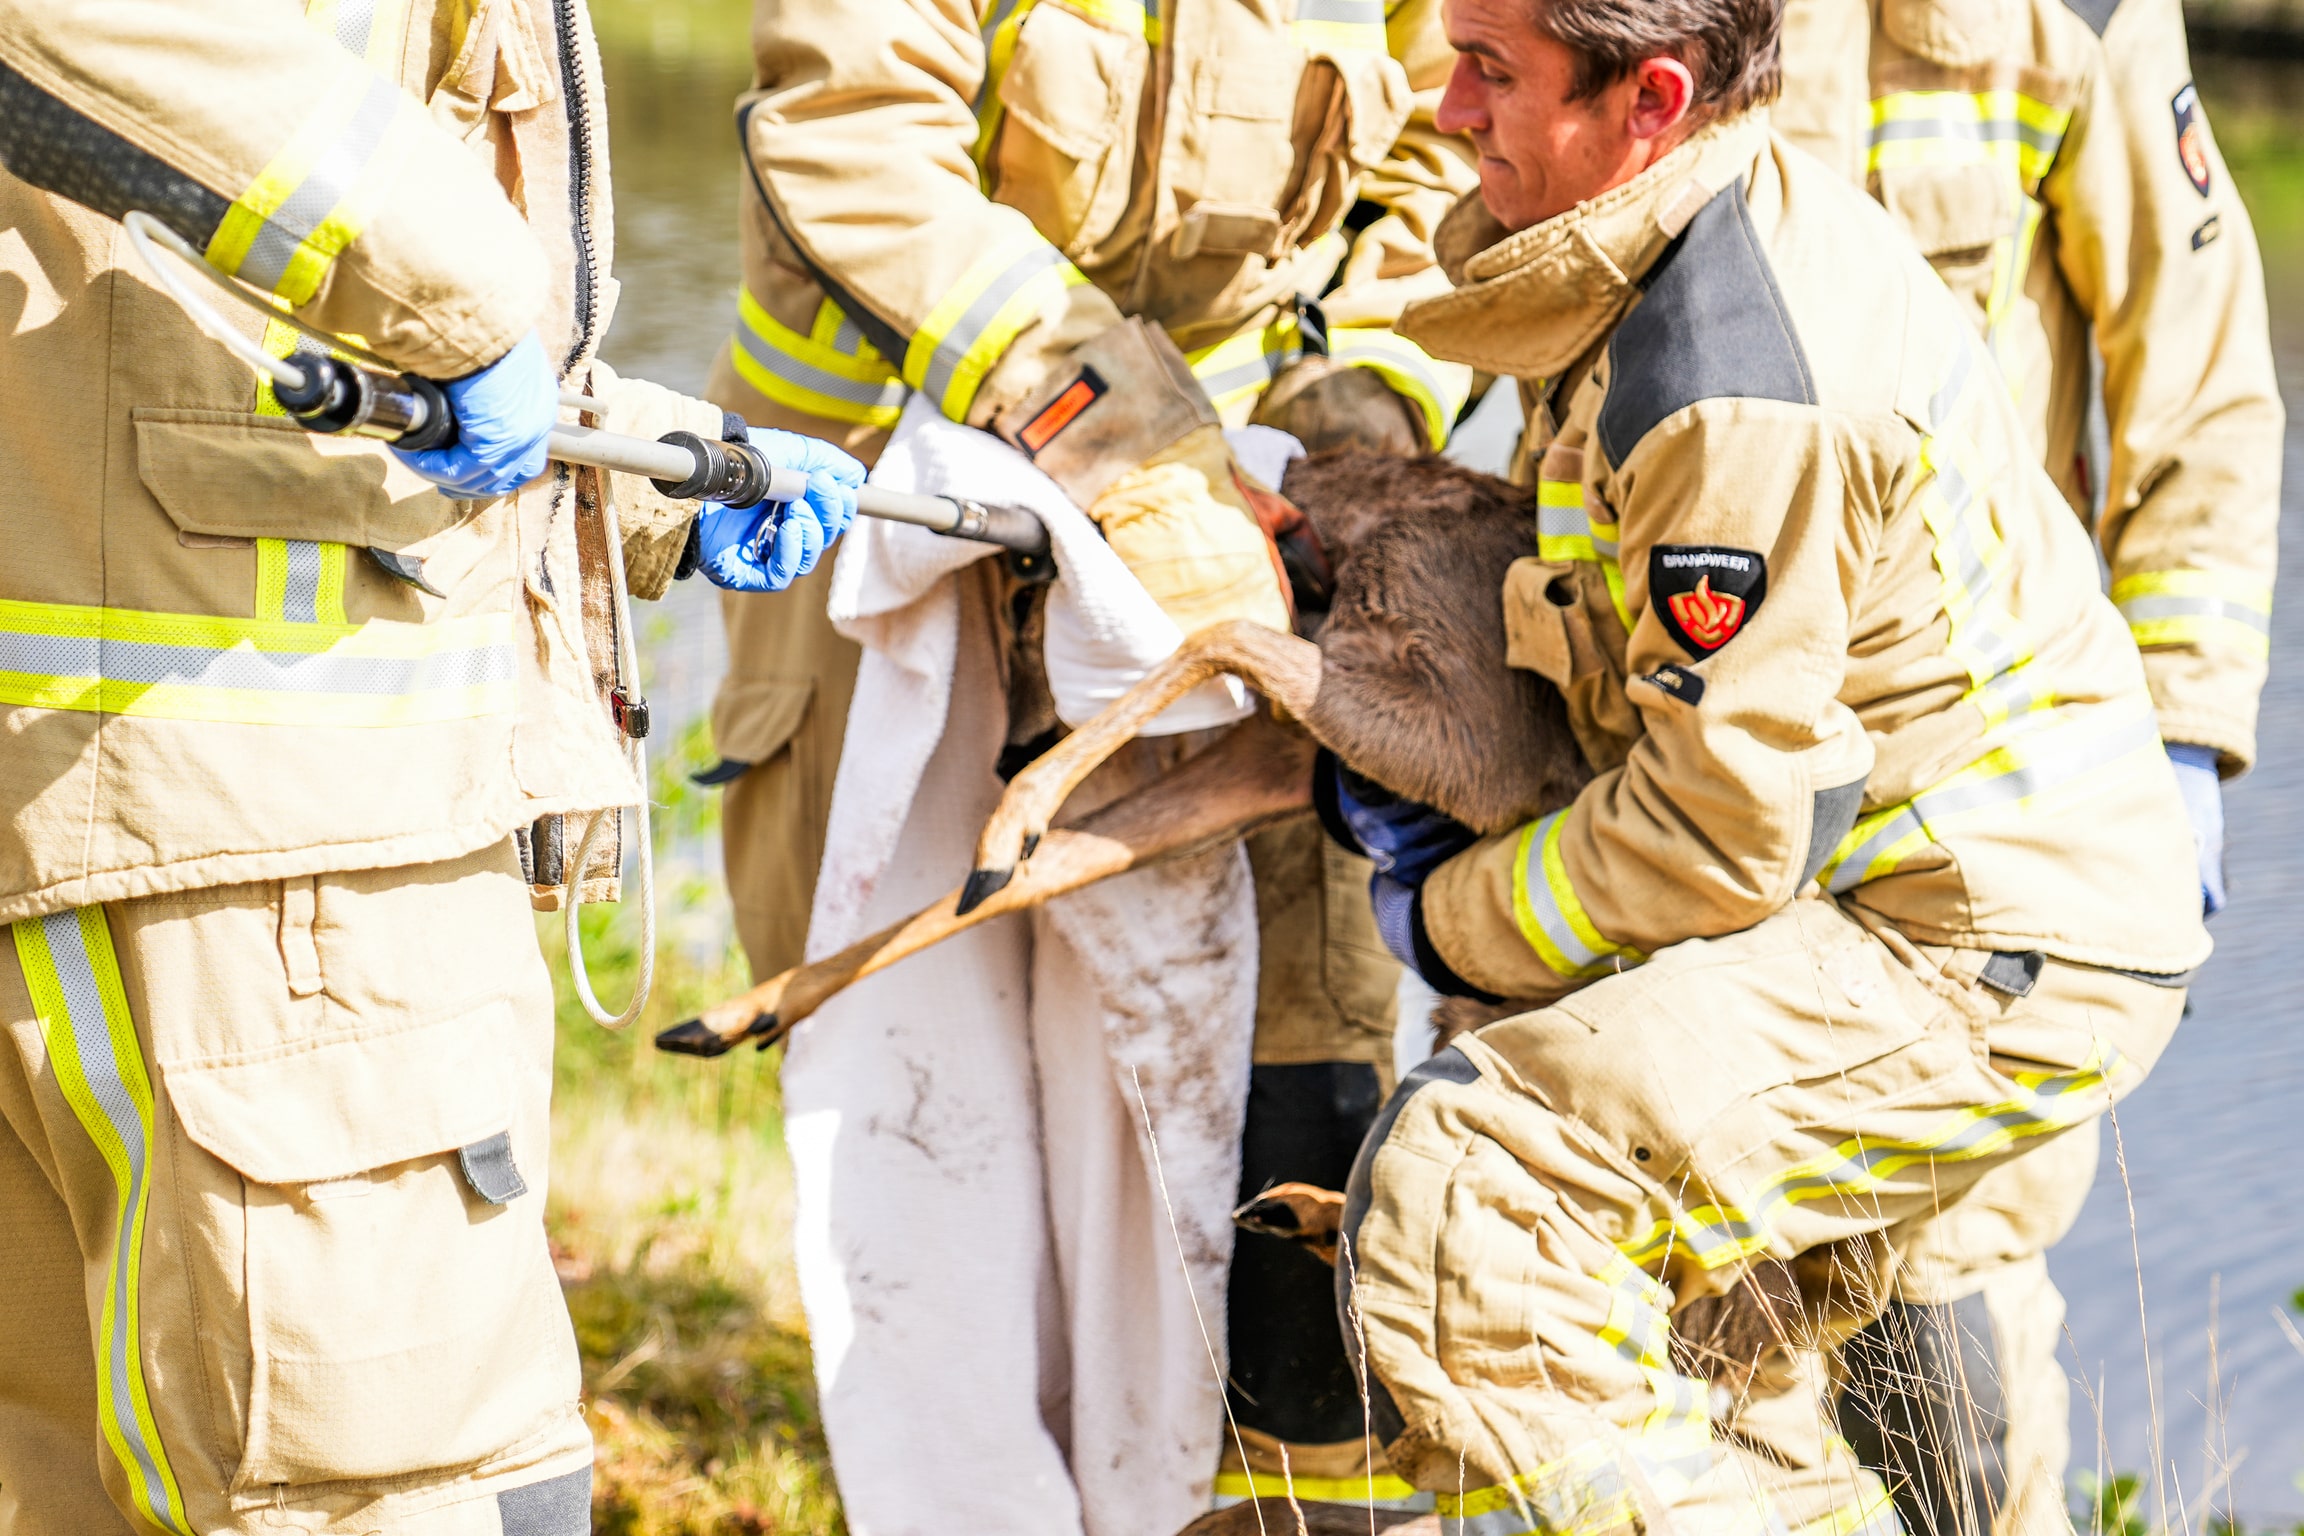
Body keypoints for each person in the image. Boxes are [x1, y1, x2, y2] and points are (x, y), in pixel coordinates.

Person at [1318, 0, 2209, 1532]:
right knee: (1715, 1356)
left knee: (1484, 1181)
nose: (1448, 105)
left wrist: (1445, 915)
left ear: (1650, 95)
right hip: (1889, 896)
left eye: (1491, 72)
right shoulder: (1671, 232)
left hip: (1971, 934)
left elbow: (1710, 842)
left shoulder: (1725, 373)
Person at [0, 4, 859, 1531]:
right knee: (429, 1489)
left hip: (192, 822)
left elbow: (193, 294)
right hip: (262, 843)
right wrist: (460, 309)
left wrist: (638, 470)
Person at [709, 0, 1480, 1520]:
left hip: (1237, 582)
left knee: (1286, 1143)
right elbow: (857, 129)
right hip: (882, 559)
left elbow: (1434, 160)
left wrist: (1340, 444)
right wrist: (1117, 434)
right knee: (926, 1153)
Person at [1770, 5, 2280, 1526]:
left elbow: (2204, 401)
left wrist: (2183, 741)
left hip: (1974, 806)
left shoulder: (2088, 14)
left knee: (1943, 1352)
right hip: (1703, 772)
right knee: (1703, 1369)